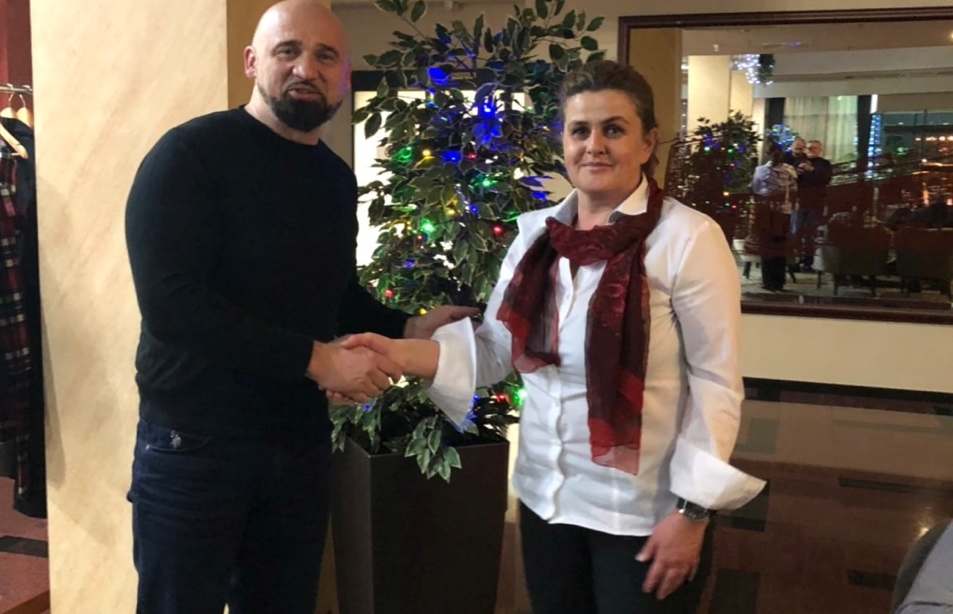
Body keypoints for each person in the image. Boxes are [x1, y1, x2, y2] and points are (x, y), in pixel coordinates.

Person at [333, 61, 765, 614]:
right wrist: (394, 352)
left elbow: (715, 383)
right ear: (564, 141)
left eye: (614, 129)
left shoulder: (687, 239)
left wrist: (693, 512)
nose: (594, 145)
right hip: (547, 500)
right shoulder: (536, 237)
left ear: (647, 142)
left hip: (641, 513)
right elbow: (494, 350)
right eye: (580, 130)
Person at [124, 1, 475, 612]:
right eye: (288, 51)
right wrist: (316, 360)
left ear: (343, 76)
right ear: (252, 62)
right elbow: (171, 306)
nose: (305, 68)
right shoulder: (189, 155)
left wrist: (408, 325)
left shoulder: (333, 179)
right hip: (193, 444)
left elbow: (334, 293)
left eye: (325, 56)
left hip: (297, 443)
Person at [750, 143, 798, 291]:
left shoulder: (787, 170)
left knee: (775, 247)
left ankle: (774, 281)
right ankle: (773, 281)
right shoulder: (764, 170)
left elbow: (756, 189)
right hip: (773, 212)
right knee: (772, 247)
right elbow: (756, 189)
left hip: (778, 212)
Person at [791, 139, 833, 270]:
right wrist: (797, 173)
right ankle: (794, 261)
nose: (810, 150)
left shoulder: (824, 164)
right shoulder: (799, 162)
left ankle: (808, 262)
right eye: (808, 148)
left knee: (810, 232)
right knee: (796, 231)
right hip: (800, 202)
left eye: (814, 148)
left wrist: (811, 170)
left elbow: (825, 179)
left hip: (816, 203)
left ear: (820, 150)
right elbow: (793, 180)